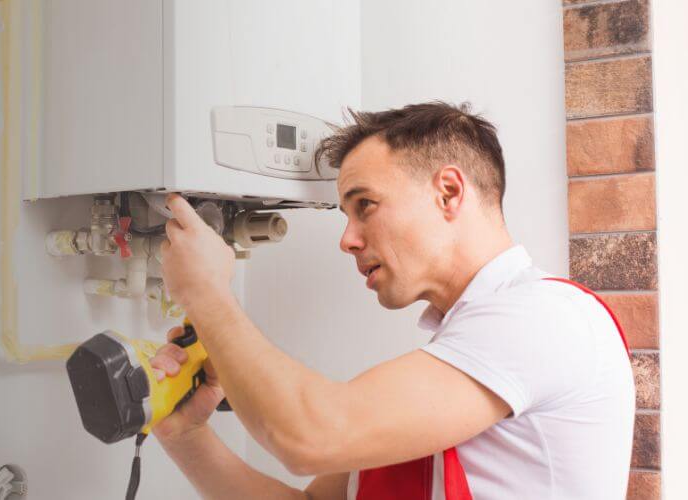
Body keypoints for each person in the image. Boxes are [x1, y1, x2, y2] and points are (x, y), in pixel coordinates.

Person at [152, 102, 635, 499]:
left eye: (365, 205)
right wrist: (188, 437)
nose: (347, 240)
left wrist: (207, 293)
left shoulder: (543, 318)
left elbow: (310, 435)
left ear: (448, 192)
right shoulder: (453, 363)